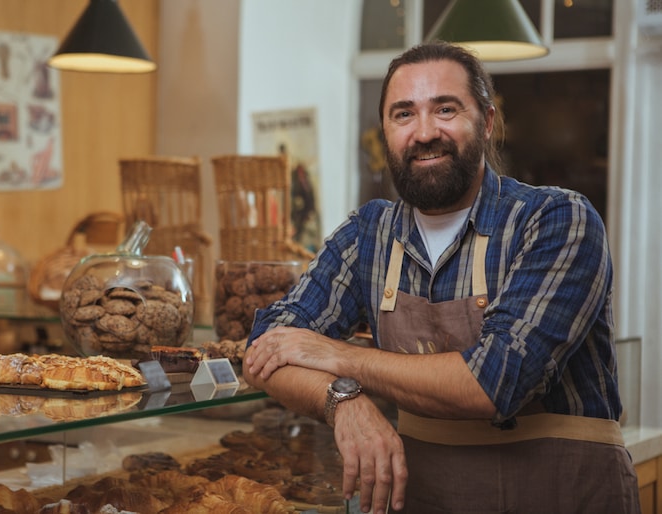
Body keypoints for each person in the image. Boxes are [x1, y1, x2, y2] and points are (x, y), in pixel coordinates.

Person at [243, 41, 640, 514]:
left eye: (445, 109)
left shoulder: (556, 219)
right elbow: (266, 346)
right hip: (426, 494)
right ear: (386, 130)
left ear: (487, 122)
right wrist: (342, 401)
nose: (424, 132)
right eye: (403, 114)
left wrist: (334, 355)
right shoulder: (368, 233)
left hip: (561, 491)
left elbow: (496, 382)